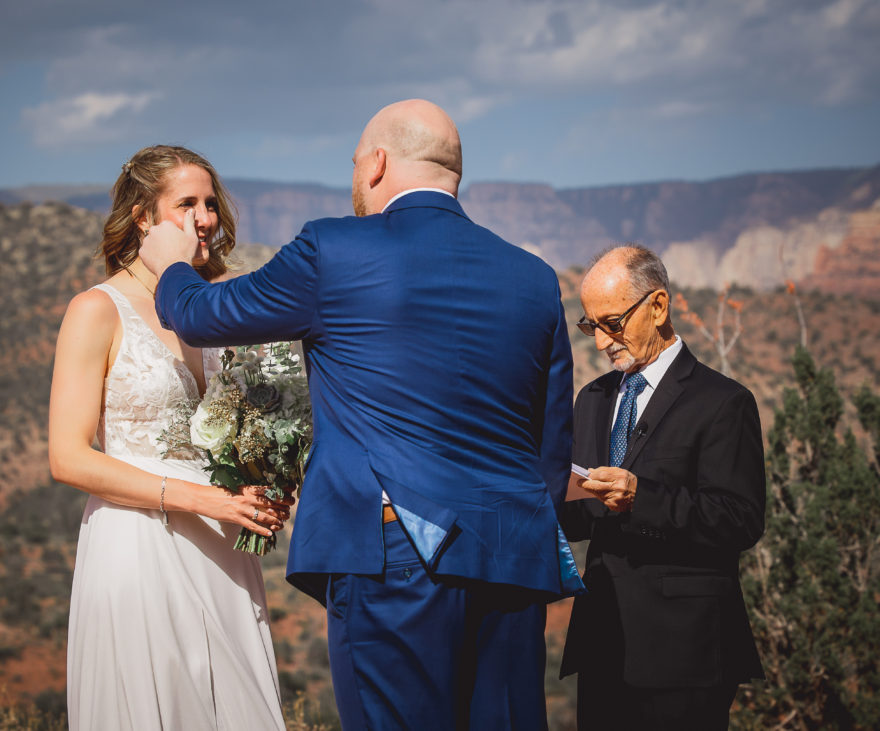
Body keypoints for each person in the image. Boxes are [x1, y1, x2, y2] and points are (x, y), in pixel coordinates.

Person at [139, 99, 575, 730]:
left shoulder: (334, 249)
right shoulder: (535, 278)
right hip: (513, 560)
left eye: (353, 164)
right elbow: (550, 442)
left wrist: (171, 263)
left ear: (376, 164)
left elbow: (204, 317)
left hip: (396, 557)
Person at [48, 145, 289, 730]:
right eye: (186, 203)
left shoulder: (222, 308)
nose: (204, 217)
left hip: (224, 550)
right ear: (142, 218)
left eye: (210, 203)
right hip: (139, 544)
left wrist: (272, 478)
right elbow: (68, 457)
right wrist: (202, 499)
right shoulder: (95, 310)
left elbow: (257, 424)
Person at [560, 245, 765, 730]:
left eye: (613, 323)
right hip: (604, 643)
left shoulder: (723, 402)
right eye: (592, 326)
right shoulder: (593, 399)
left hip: (685, 653)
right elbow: (581, 513)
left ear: (658, 306)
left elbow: (740, 519)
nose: (602, 343)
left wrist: (641, 498)